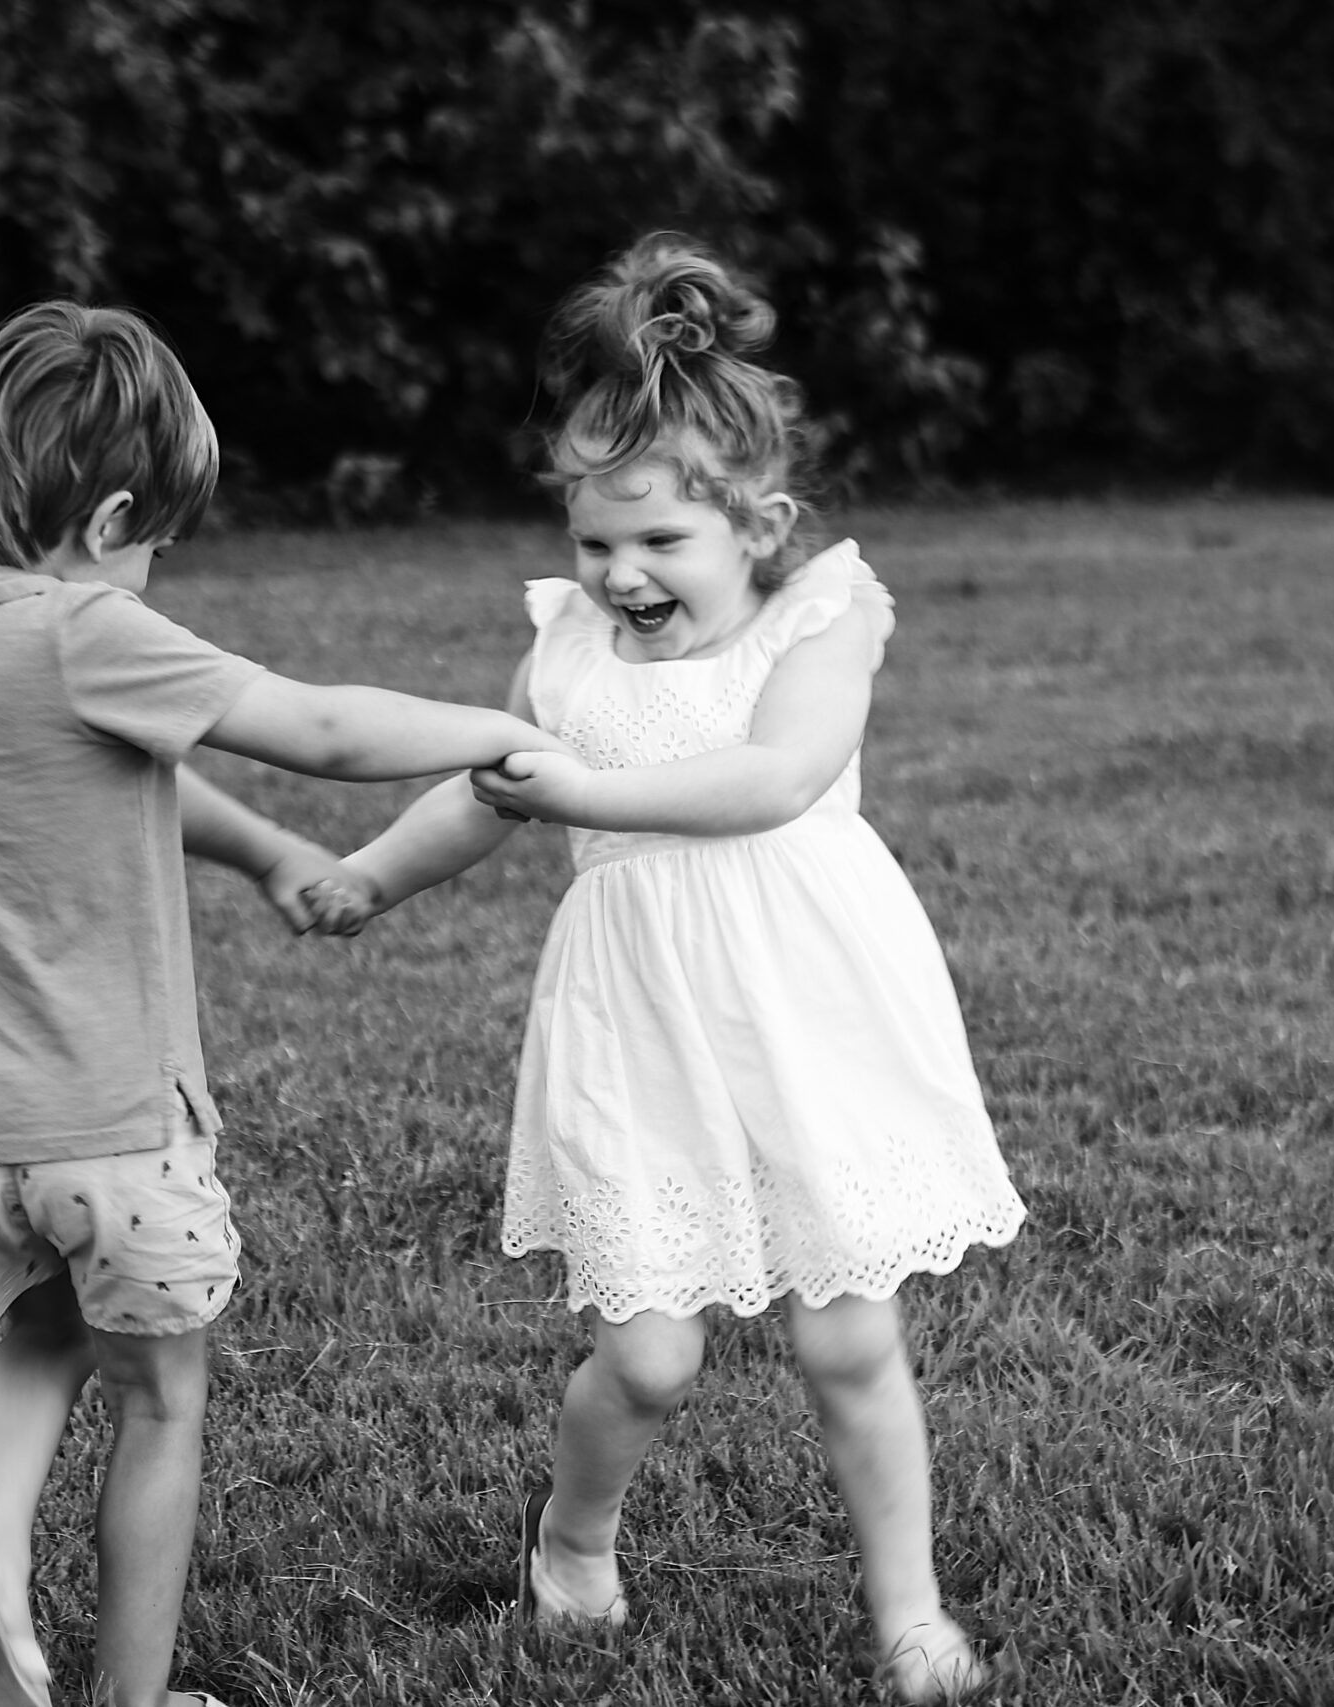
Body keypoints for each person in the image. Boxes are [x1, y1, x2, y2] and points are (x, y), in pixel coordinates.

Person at [326, 236, 1028, 1703]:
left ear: (757, 525)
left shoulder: (822, 619)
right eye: (596, 542)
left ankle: (909, 1611)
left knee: (848, 1335)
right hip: (639, 1025)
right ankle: (576, 1539)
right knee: (647, 1359)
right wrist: (370, 875)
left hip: (811, 1012)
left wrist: (580, 797)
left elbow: (774, 779)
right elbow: (485, 786)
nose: (620, 575)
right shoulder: (565, 650)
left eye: (660, 543)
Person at [0, 300, 565, 1707]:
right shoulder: (83, 631)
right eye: (158, 550)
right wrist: (502, 732)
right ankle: (133, 1702)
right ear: (114, 516)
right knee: (161, 1393)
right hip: (121, 1126)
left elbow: (120, 783)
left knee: (37, 1339)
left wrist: (262, 854)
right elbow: (315, 727)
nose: (155, 577)